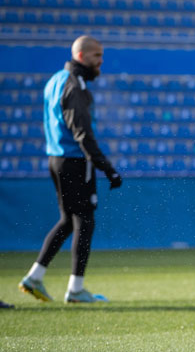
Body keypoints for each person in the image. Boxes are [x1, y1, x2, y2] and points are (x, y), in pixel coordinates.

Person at [18, 36, 122, 304]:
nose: (101, 61)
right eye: (96, 56)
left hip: (57, 158)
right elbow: (82, 133)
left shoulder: (55, 80)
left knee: (69, 221)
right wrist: (107, 168)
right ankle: (75, 289)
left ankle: (35, 276)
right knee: (84, 222)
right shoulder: (74, 86)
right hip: (75, 160)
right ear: (80, 56)